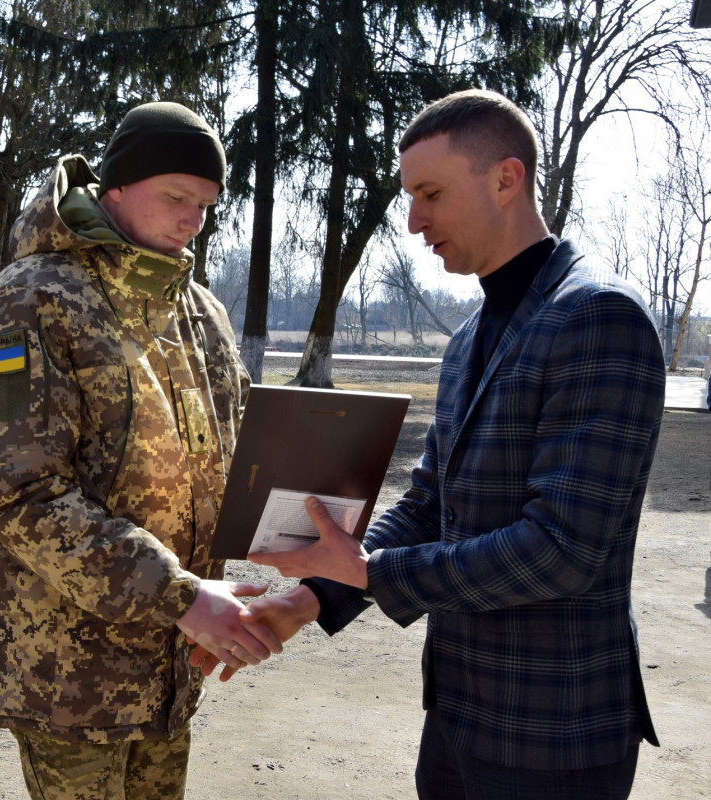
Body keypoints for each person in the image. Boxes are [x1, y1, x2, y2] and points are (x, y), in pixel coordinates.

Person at [219, 90, 665, 799]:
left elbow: (560, 550)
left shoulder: (597, 317)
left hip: (554, 737)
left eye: (429, 193)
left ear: (505, 179)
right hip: (457, 717)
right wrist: (307, 600)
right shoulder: (466, 340)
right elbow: (428, 505)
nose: (412, 220)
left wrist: (373, 574)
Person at [0, 101, 281, 800]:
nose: (193, 219)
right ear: (113, 192)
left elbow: (240, 442)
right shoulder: (30, 301)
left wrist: (312, 515)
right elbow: (23, 497)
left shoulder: (198, 311)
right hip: (70, 675)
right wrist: (183, 596)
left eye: (205, 203)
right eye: (175, 197)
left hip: (170, 661)